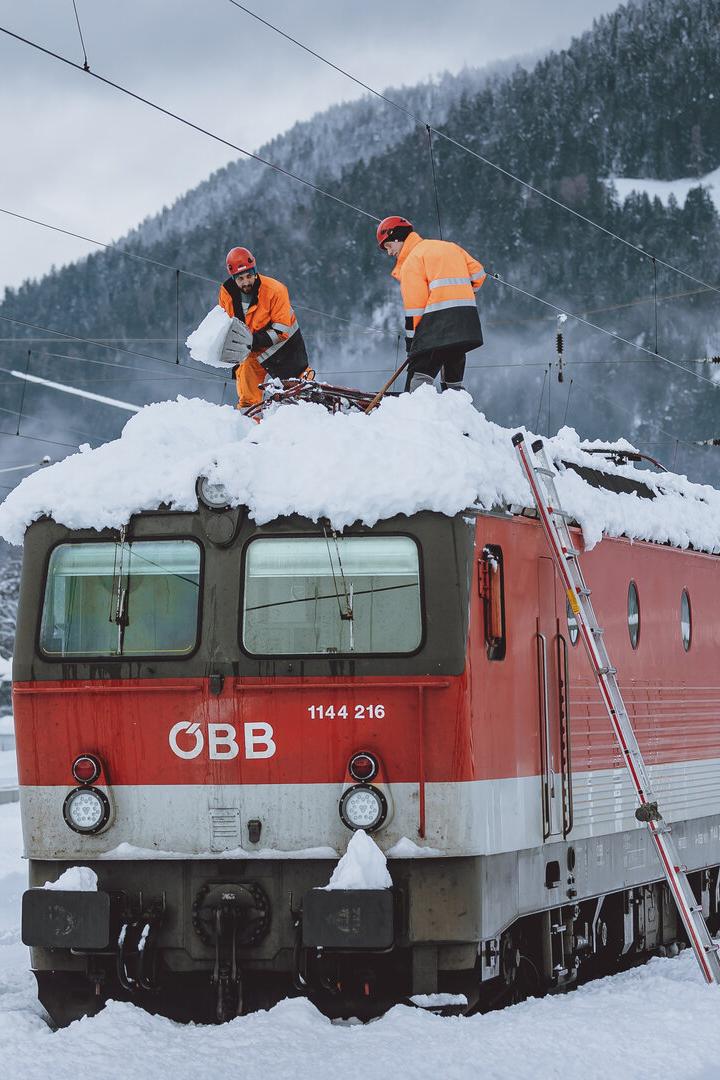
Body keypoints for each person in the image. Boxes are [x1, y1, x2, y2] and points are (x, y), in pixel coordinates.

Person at [376, 216, 486, 393]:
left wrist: (412, 343)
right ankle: (458, 414)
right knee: (453, 388)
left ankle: (413, 415)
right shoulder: (450, 247)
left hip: (436, 330)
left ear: (397, 237)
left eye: (388, 246)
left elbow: (415, 307)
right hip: (465, 325)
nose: (389, 252)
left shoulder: (413, 260)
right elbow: (478, 275)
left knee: (416, 388)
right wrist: (461, 292)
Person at [218, 247, 309, 409]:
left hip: (284, 347)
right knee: (248, 398)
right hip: (251, 352)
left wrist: (253, 340)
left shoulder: (275, 290)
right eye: (240, 279)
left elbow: (282, 330)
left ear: (255, 271)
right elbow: (225, 323)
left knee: (299, 388)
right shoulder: (227, 293)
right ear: (233, 278)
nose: (246, 282)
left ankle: (311, 405)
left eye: (249, 276)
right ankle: (250, 423)